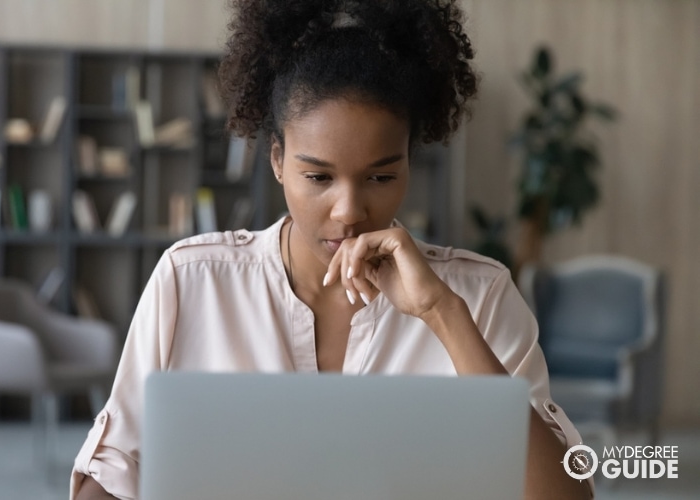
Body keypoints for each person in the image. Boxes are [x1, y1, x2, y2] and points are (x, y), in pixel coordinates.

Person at [72, 1, 593, 499]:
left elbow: (563, 495)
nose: (348, 210)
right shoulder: (193, 282)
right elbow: (111, 474)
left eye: (382, 175)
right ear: (277, 160)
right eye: (318, 176)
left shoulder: (477, 296)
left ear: (410, 162)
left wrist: (442, 313)